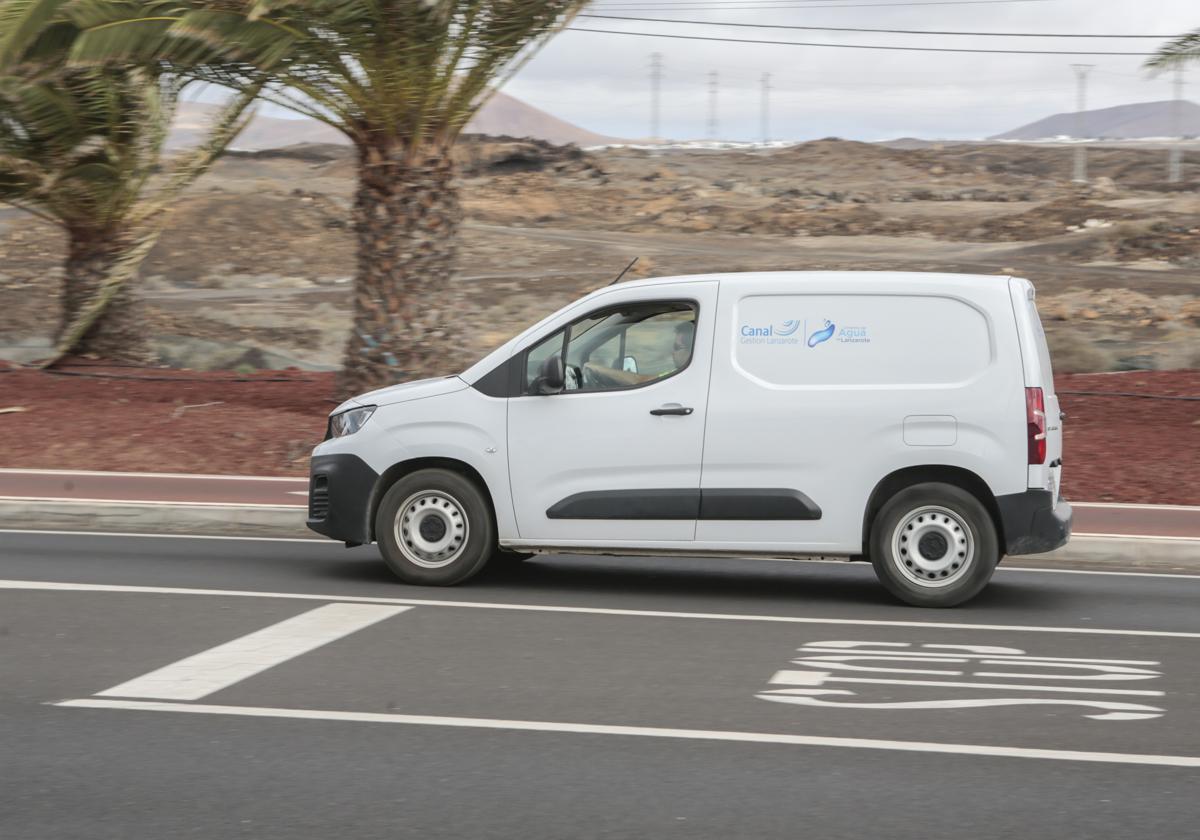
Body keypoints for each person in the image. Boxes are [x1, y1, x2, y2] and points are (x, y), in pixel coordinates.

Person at [581, 318, 695, 387]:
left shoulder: (687, 376)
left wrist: (597, 368)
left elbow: (640, 381)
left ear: (691, 350)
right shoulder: (681, 374)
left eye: (677, 347)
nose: (672, 352)